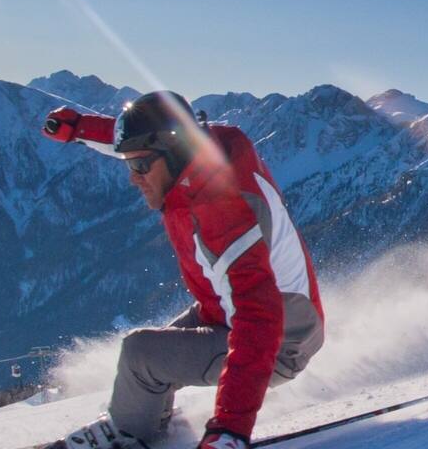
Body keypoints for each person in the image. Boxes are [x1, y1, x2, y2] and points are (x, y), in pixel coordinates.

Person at [40, 91, 327, 449]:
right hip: (238, 311)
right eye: (129, 163)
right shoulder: (207, 148)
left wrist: (230, 431)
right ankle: (135, 426)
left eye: (140, 166)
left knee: (141, 355)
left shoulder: (222, 211)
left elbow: (259, 319)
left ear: (174, 155)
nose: (133, 177)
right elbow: (141, 139)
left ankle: (128, 435)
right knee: (144, 362)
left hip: (281, 340)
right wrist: (80, 128)